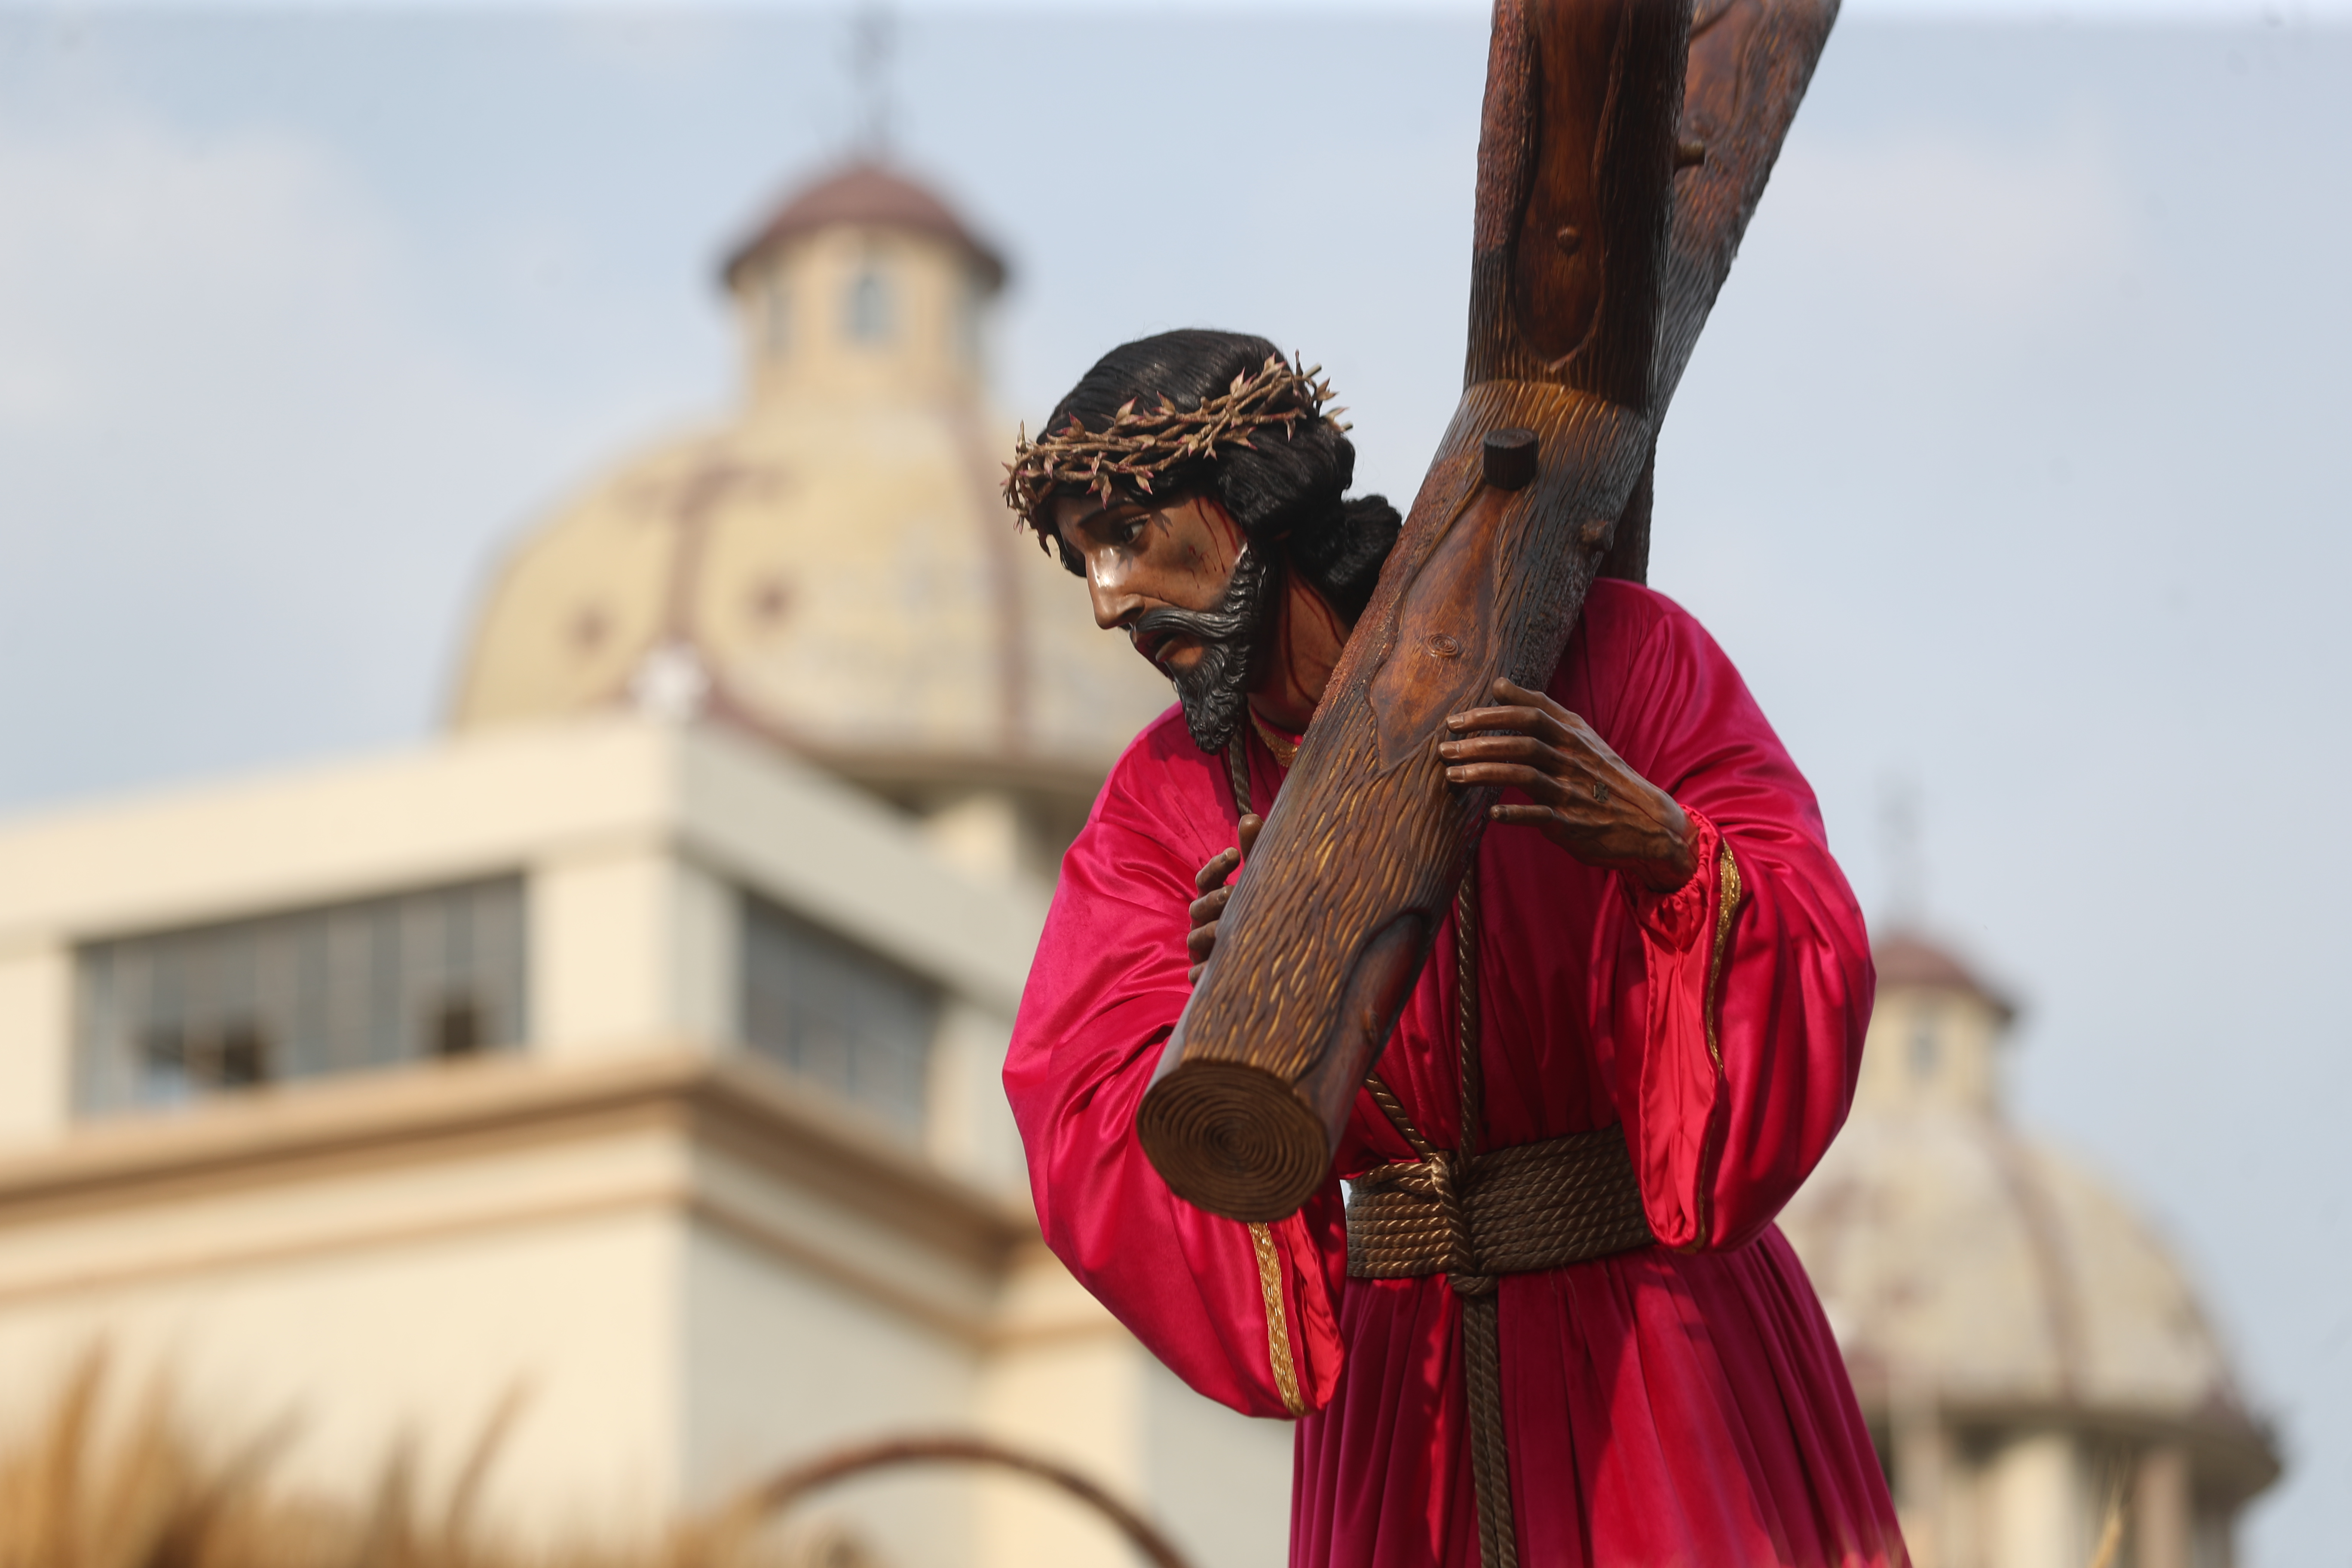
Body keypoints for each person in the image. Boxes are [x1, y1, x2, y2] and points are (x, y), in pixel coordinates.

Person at [1001, 329, 1905, 1568]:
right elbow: (1080, 1086)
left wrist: (1659, 847)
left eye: (1128, 538)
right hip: (1406, 1401)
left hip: (1665, 1354)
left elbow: (1808, 929)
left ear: (1249, 506)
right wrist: (1217, 1032)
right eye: (1080, 564)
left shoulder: (1617, 657)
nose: (1108, 603)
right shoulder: (1160, 807)